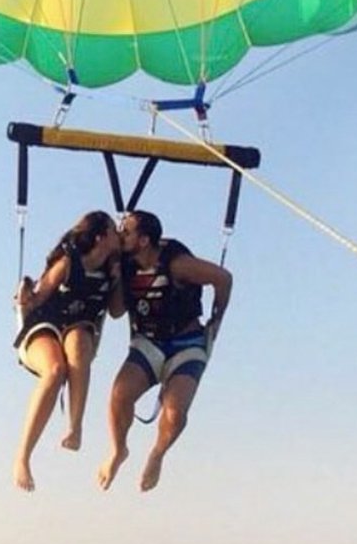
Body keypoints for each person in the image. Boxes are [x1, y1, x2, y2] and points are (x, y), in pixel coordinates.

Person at [97, 210, 232, 493]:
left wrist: (215, 321)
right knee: (119, 396)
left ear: (144, 240)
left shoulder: (177, 264)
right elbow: (117, 310)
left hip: (187, 344)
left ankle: (157, 453)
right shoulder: (126, 263)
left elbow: (223, 278)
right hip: (149, 342)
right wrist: (118, 275)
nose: (120, 235)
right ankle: (118, 450)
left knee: (173, 414)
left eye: (127, 231)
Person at [13, 210, 122, 491]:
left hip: (79, 329)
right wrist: (24, 298)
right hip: (43, 327)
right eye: (114, 229)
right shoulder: (68, 264)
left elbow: (117, 311)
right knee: (55, 370)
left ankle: (75, 428)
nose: (119, 233)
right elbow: (38, 298)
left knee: (78, 346)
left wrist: (119, 277)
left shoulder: (111, 270)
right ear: (101, 237)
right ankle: (22, 457)